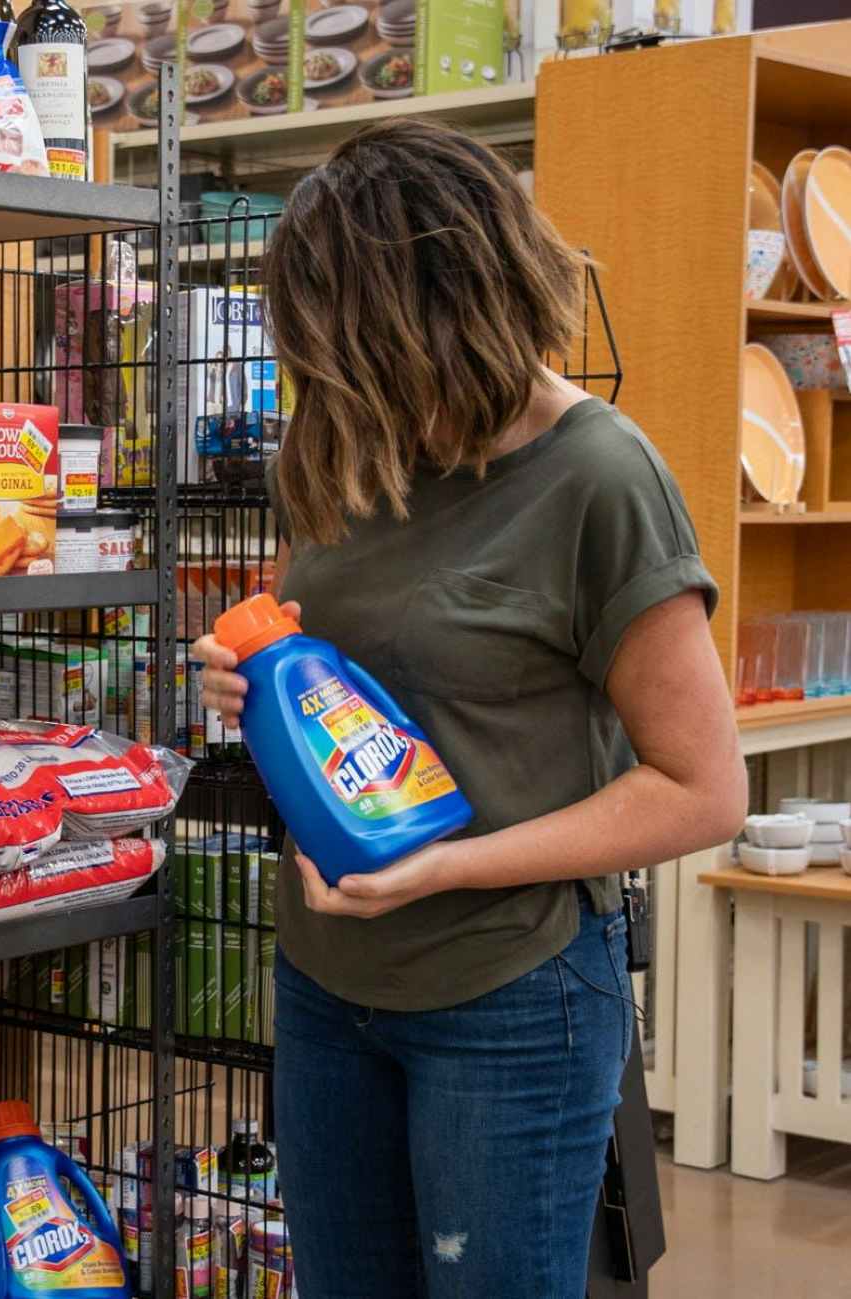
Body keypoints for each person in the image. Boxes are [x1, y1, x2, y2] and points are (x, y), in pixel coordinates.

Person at [191, 120, 745, 1298]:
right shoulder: (346, 448)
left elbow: (701, 790)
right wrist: (246, 682)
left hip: (511, 994)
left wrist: (447, 868)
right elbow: (345, 686)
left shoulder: (600, 478)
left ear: (438, 315)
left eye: (349, 348)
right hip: (325, 979)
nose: (332, 386)